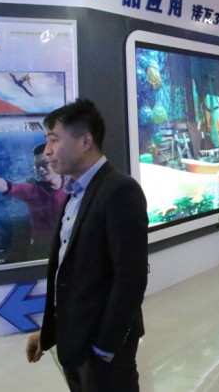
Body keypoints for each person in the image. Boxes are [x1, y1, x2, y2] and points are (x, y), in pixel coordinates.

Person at [25, 99, 148, 392]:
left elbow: (130, 278)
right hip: (74, 340)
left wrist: (105, 346)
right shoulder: (75, 192)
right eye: (47, 141)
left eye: (54, 139)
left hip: (102, 349)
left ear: (85, 141)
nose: (48, 151)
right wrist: (51, 331)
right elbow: (72, 274)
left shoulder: (119, 190)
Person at [0, 143, 68, 260]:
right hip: (42, 251)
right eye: (37, 166)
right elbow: (6, 186)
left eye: (44, 164)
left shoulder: (74, 187)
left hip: (69, 247)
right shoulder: (33, 190)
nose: (40, 169)